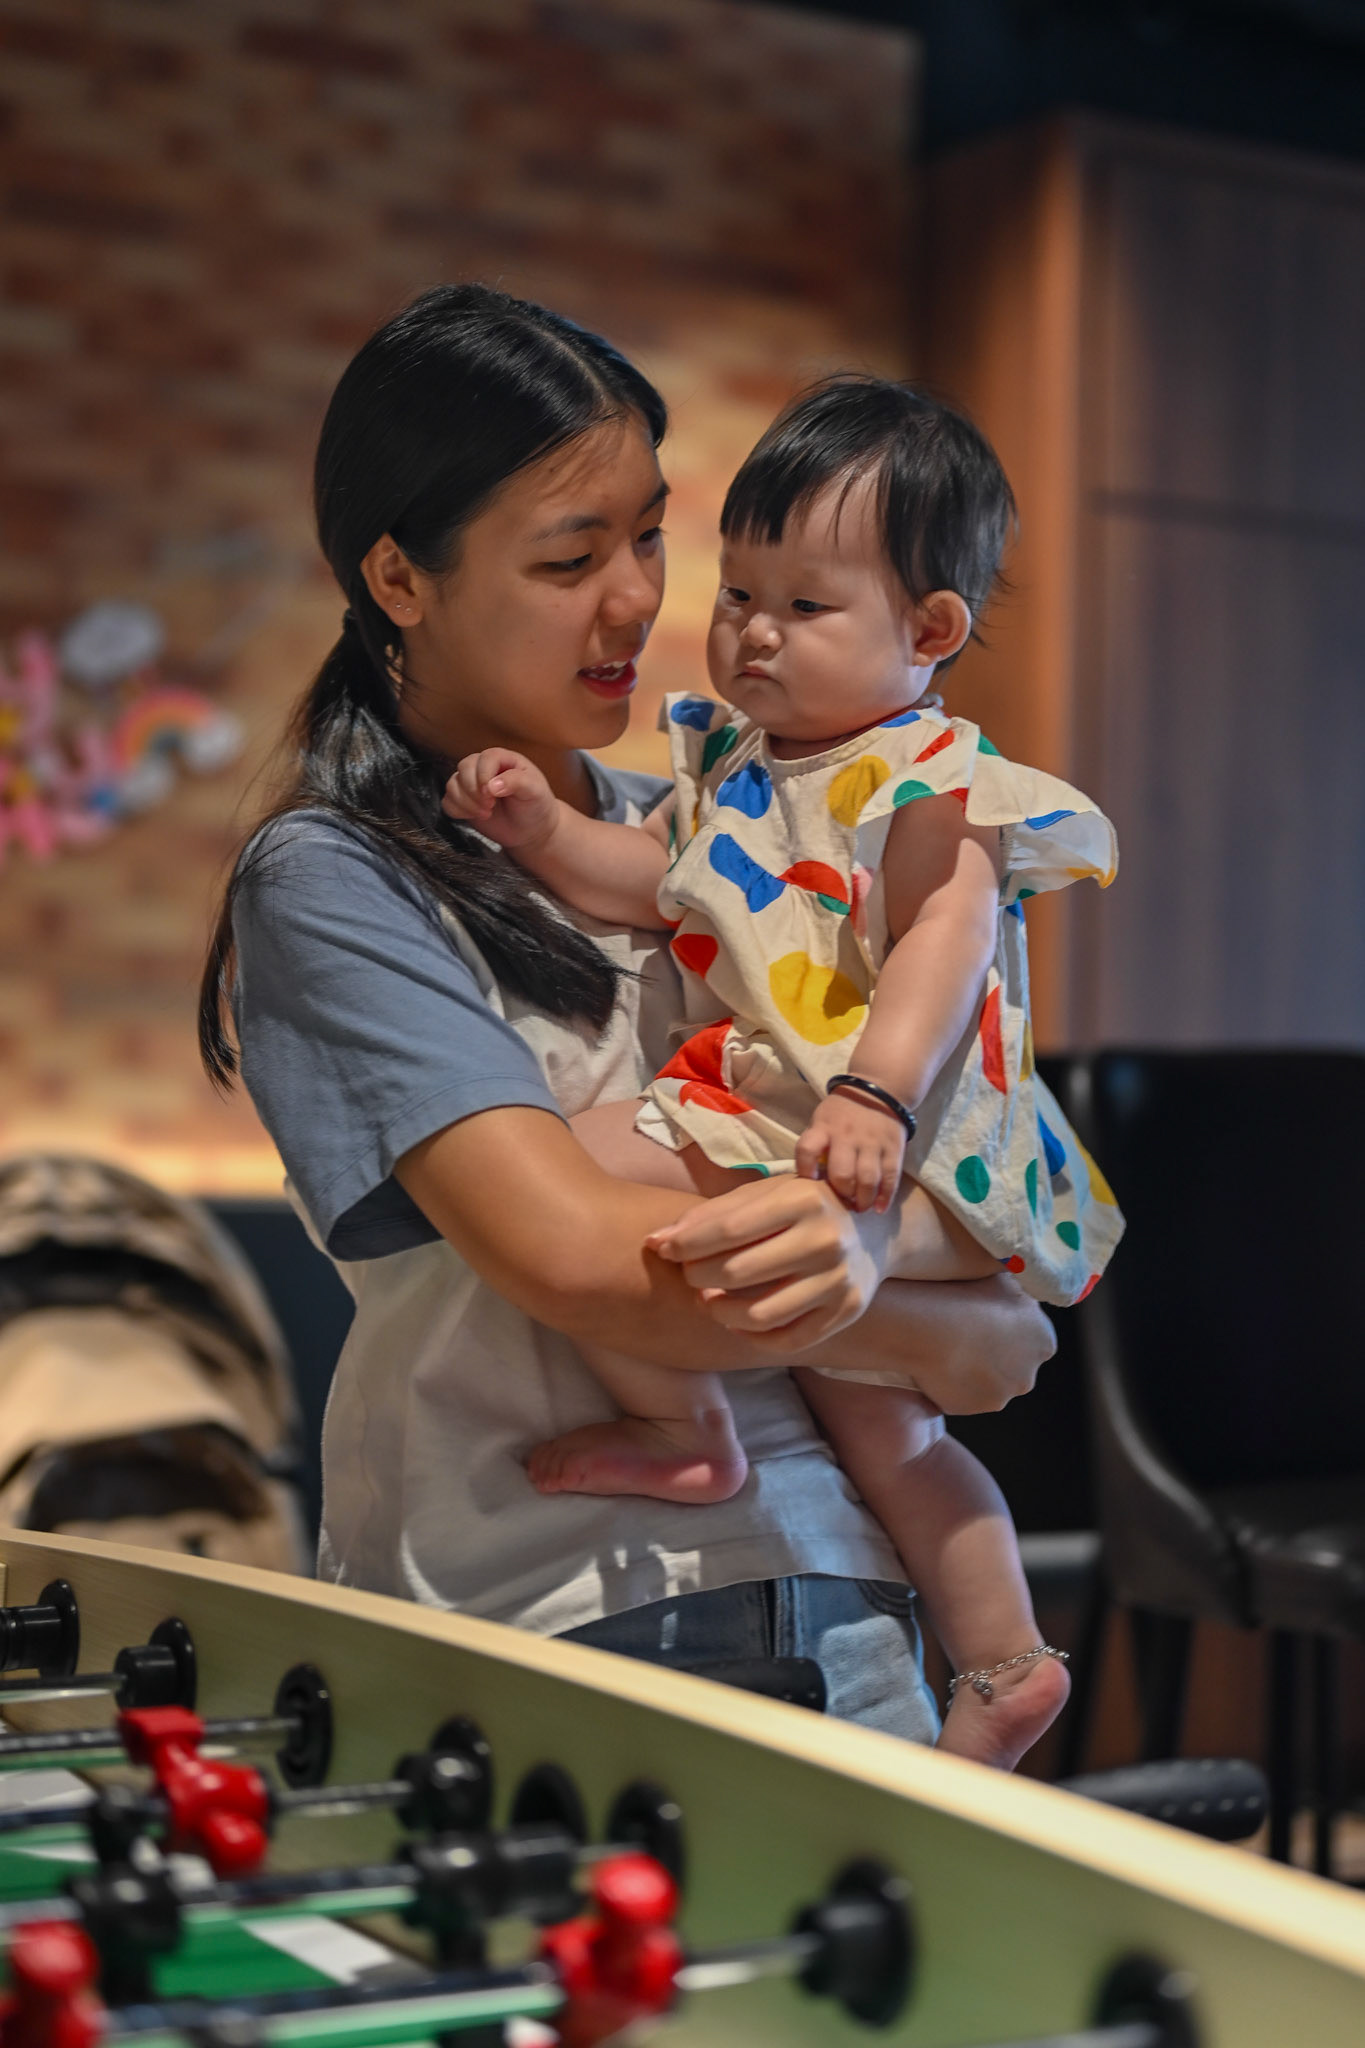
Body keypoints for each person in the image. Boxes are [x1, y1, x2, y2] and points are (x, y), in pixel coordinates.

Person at [199, 284, 1056, 1747]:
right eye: (567, 556)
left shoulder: (729, 828)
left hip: (839, 1595)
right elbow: (581, 1260)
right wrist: (888, 1289)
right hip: (544, 1607)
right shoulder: (337, 876)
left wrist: (897, 1261)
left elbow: (999, 1298)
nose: (635, 601)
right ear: (398, 577)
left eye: (651, 538)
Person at [445, 375, 1125, 1769]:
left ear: (929, 631)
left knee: (570, 1167)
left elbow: (942, 945)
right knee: (890, 1440)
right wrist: (544, 836)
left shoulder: (932, 779)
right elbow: (655, 880)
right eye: (739, 592)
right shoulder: (734, 768)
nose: (752, 631)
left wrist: (875, 1094)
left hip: (902, 1130)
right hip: (786, 1125)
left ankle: (697, 1433)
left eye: (803, 605)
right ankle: (1003, 1665)